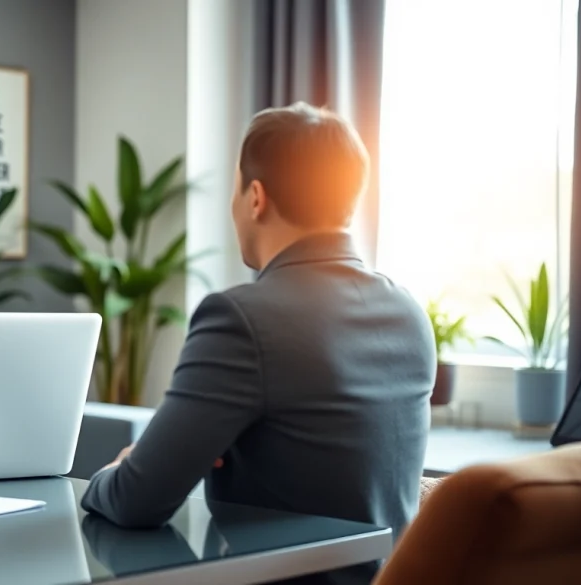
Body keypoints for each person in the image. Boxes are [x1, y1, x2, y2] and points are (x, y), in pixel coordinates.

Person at [80, 102, 436, 545]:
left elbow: (137, 499)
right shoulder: (409, 315)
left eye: (234, 190)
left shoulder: (241, 320)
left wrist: (114, 472)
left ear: (255, 197)